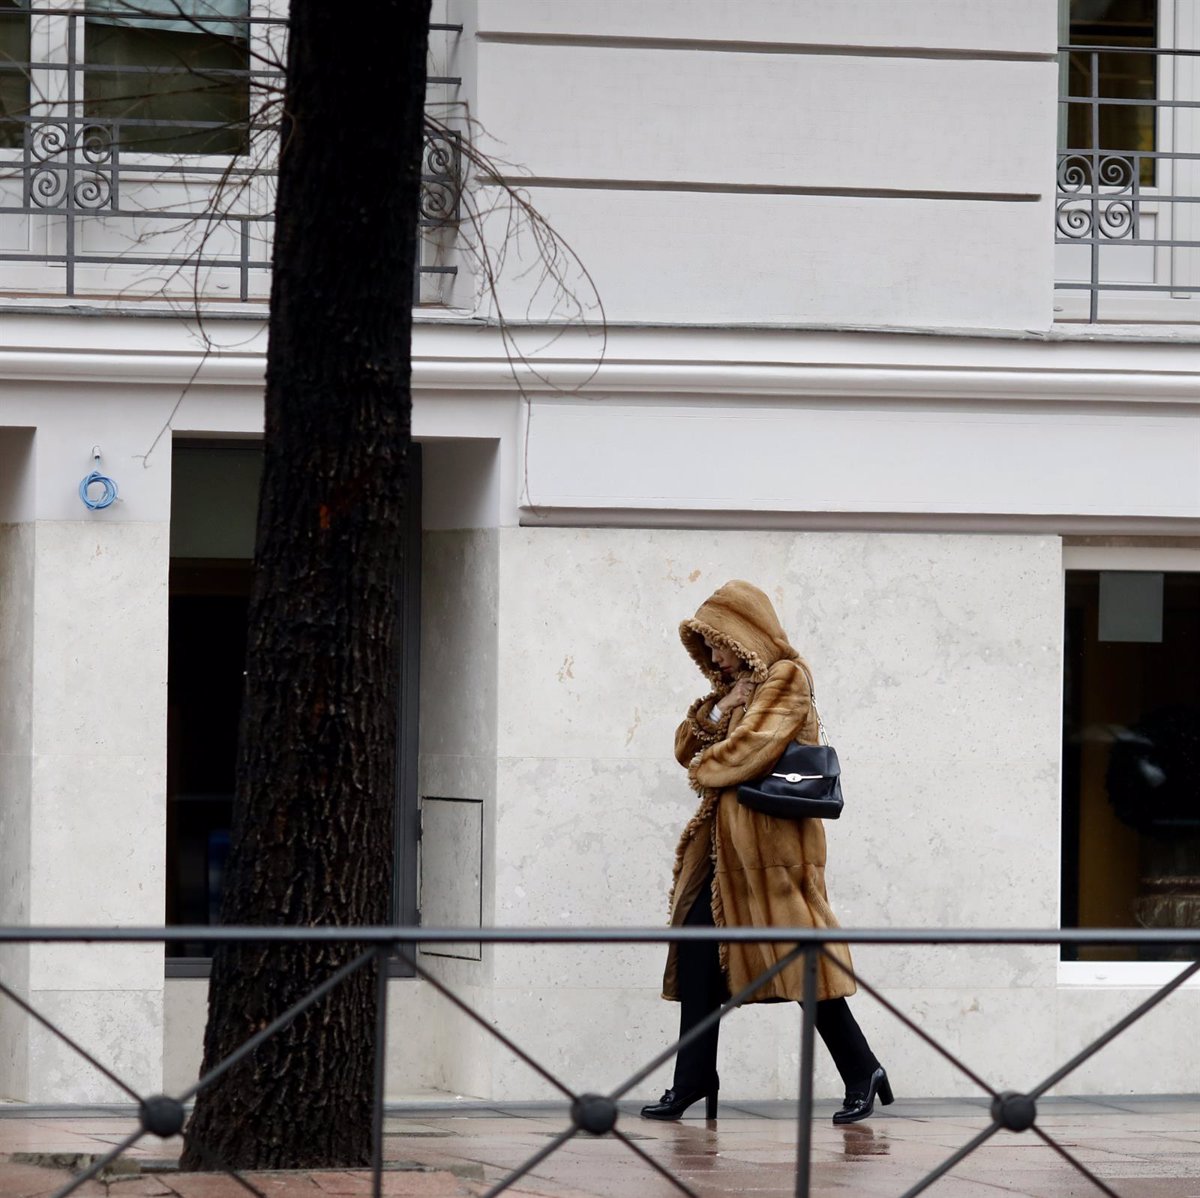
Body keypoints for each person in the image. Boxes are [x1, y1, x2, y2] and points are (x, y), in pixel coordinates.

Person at [640, 580, 891, 1125]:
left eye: (719, 642)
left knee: (801, 959)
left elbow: (748, 753)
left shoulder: (786, 677)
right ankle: (693, 1079)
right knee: (701, 954)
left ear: (746, 634)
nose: (713, 655)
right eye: (706, 645)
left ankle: (861, 1068)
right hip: (722, 851)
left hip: (773, 850)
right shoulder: (736, 688)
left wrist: (710, 760)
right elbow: (686, 746)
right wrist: (716, 709)